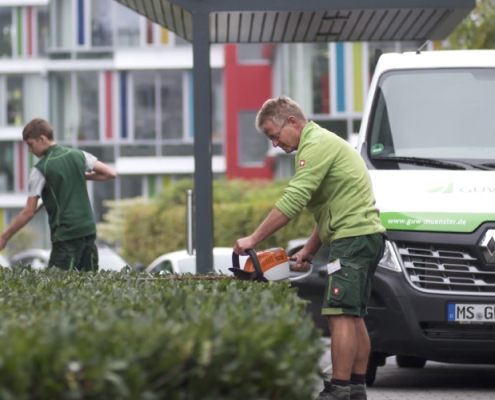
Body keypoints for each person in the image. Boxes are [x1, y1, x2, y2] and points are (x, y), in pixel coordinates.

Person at [233, 96, 386, 400]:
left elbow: (293, 200)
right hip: (363, 237)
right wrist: (309, 250)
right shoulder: (320, 143)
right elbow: (328, 209)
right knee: (353, 315)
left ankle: (340, 389)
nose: (275, 144)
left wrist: (253, 239)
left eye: (274, 135)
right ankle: (355, 387)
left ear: (292, 122)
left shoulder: (314, 146)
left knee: (339, 312)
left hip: (353, 239)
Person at [0, 118, 116, 271]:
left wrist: (5, 236)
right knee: (89, 289)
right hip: (88, 233)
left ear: (42, 139)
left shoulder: (40, 170)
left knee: (58, 289)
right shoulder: (78, 155)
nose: (29, 150)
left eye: (30, 144)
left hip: (66, 239)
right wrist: (80, 174)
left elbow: (28, 212)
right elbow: (109, 173)